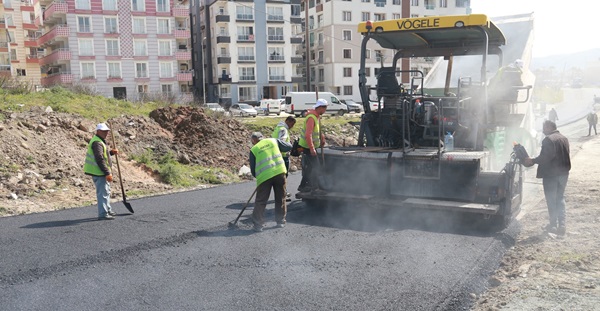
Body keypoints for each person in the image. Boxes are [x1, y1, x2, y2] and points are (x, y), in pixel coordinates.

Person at [523, 120, 571, 236]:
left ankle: (553, 225)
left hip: (551, 174)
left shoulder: (548, 140)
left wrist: (532, 160)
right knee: (560, 198)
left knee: (551, 199)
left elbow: (546, 157)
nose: (543, 131)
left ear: (549, 127)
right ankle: (562, 225)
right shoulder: (564, 138)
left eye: (544, 128)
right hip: (564, 173)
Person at [249, 132, 292, 232]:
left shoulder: (254, 149)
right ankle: (280, 221)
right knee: (281, 197)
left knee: (261, 201)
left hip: (264, 177)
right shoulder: (273, 141)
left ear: (253, 141)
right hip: (279, 173)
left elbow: (253, 169)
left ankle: (258, 225)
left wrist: (260, 178)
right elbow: (288, 146)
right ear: (262, 137)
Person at [84, 123, 119, 220]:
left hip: (101, 172)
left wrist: (111, 152)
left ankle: (108, 210)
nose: (106, 133)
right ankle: (103, 213)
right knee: (103, 193)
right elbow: (99, 159)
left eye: (107, 131)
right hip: (98, 172)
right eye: (104, 131)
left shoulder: (100, 141)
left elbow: (104, 155)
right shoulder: (97, 143)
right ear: (98, 131)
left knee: (106, 191)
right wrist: (107, 172)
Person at [298, 98, 328, 193]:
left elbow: (317, 130)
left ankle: (303, 186)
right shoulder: (311, 118)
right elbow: (308, 134)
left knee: (310, 167)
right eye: (325, 109)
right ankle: (316, 188)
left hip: (311, 146)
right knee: (316, 167)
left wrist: (322, 138)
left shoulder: (316, 116)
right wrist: (312, 148)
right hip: (307, 147)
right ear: (320, 108)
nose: (325, 111)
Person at [272, 116, 297, 202]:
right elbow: (281, 143)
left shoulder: (278, 128)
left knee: (280, 177)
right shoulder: (283, 130)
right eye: (292, 124)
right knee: (283, 177)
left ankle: (283, 193)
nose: (292, 126)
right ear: (288, 121)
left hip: (277, 155)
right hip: (282, 156)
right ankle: (282, 195)